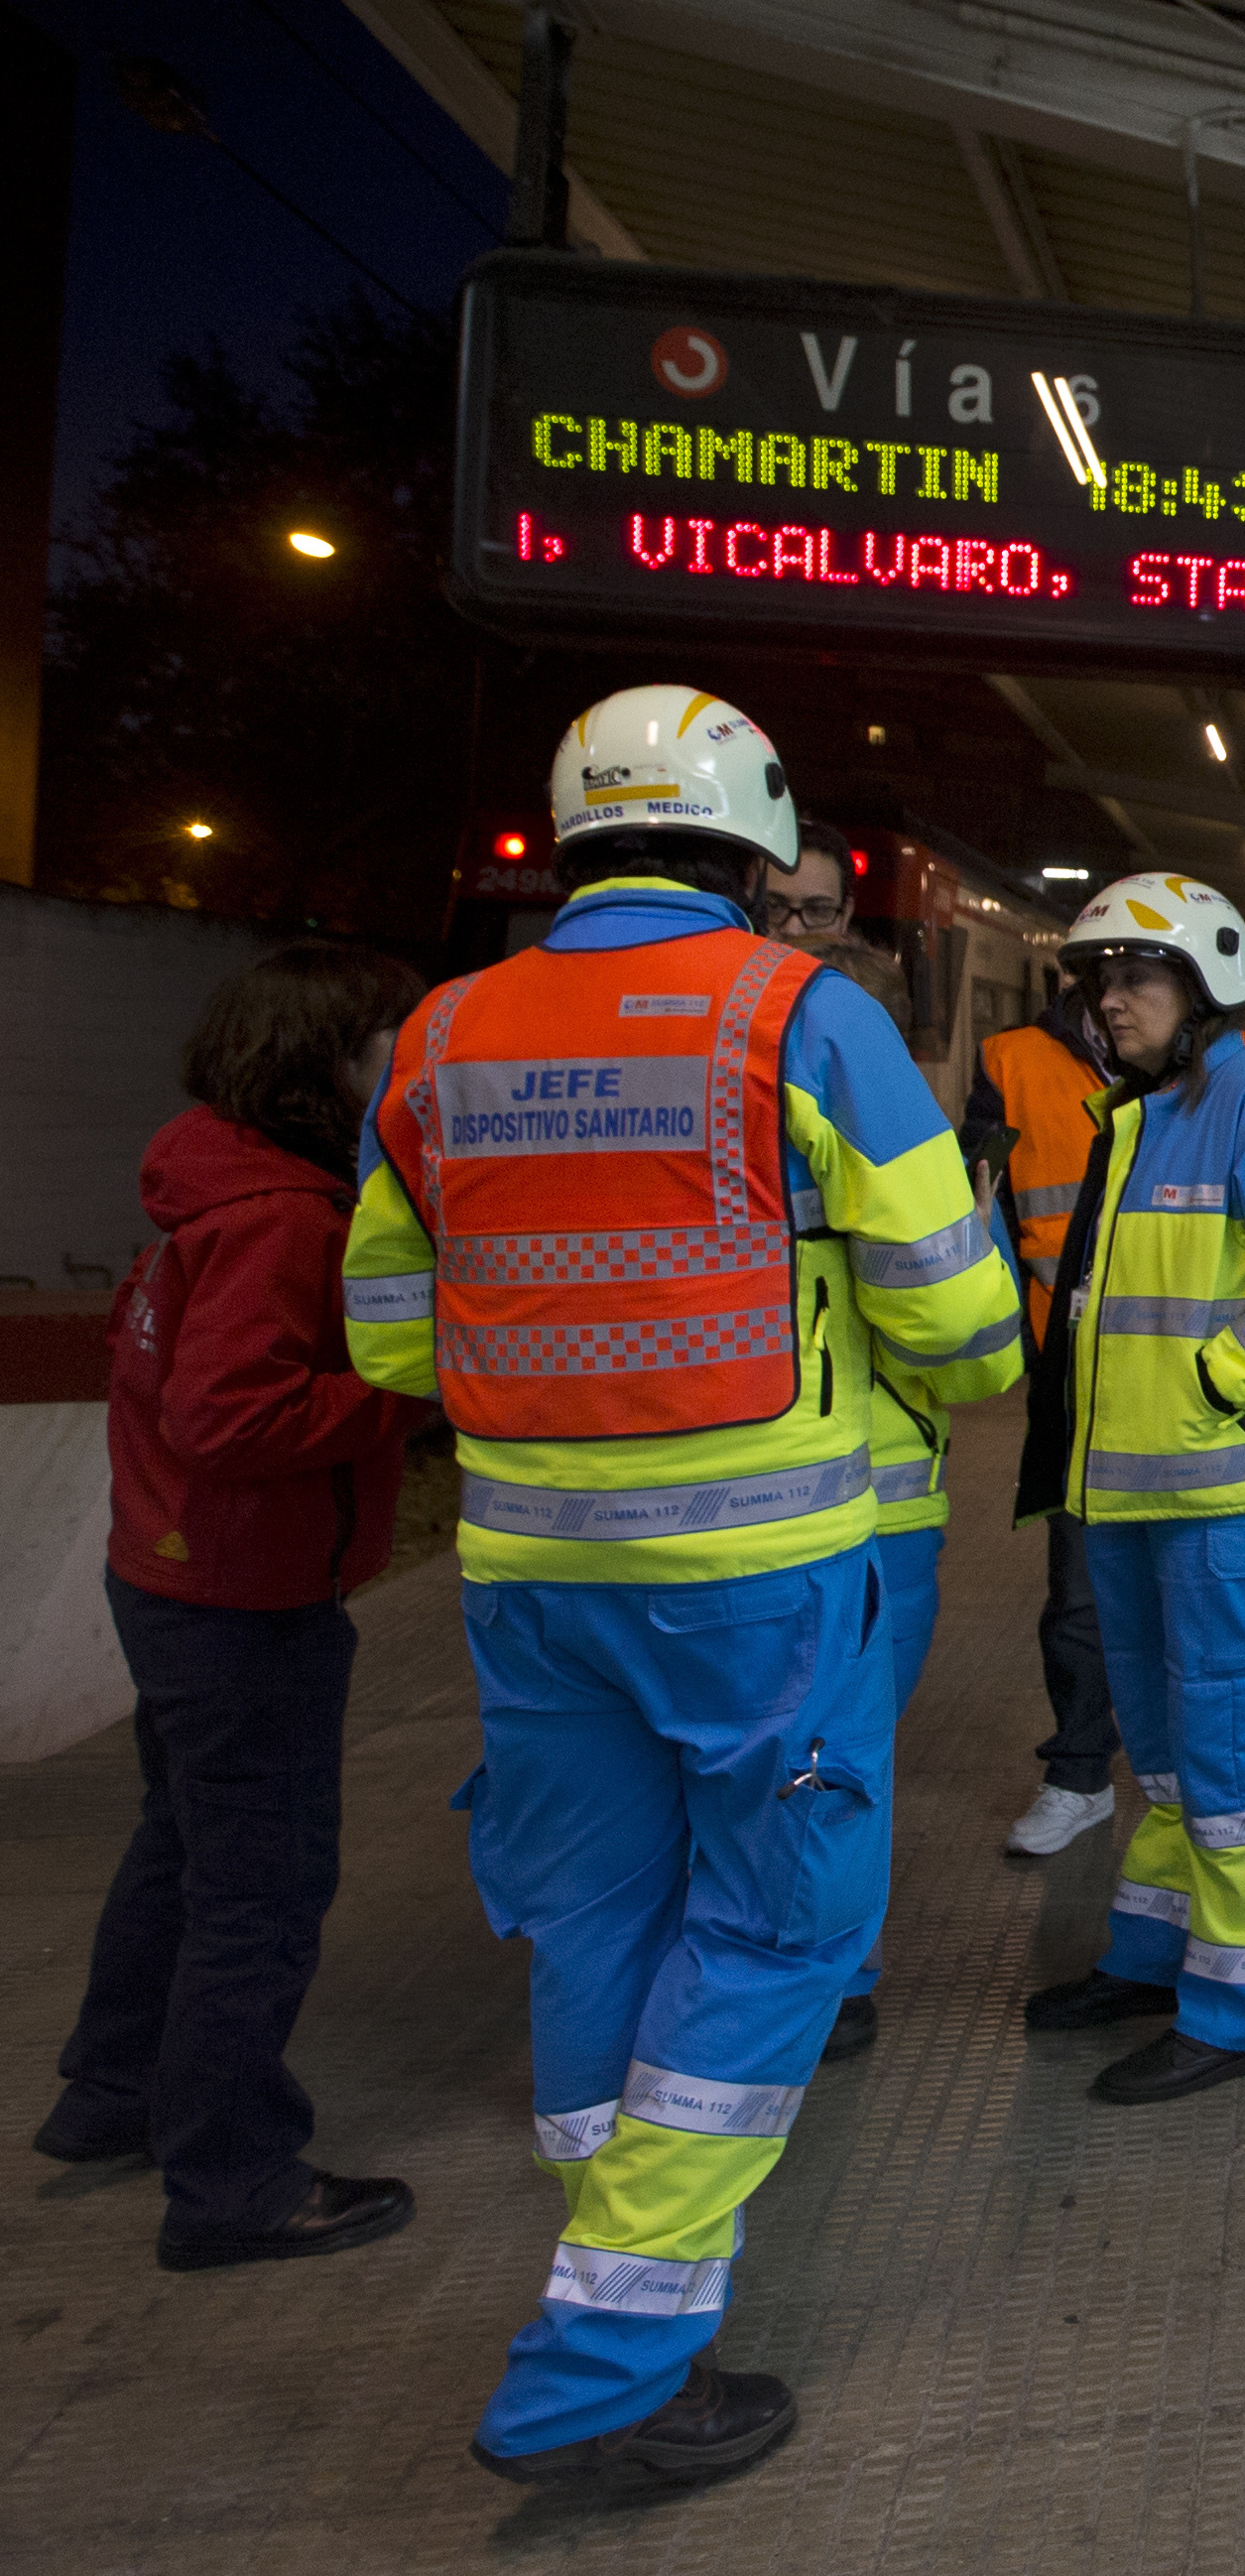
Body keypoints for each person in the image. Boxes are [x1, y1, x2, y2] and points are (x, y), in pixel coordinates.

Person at [347, 686, 1023, 2488]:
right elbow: (962, 1323)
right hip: (755, 1589)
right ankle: (608, 2360)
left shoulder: (437, 1036)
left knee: (591, 1919)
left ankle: (619, 2228)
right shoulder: (800, 1015)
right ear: (749, 846)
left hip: (526, 1581)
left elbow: (389, 1339)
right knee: (789, 1917)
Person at [44, 943, 433, 2272]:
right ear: (325, 1062)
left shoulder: (211, 1183)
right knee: (259, 1892)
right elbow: (235, 1414)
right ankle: (234, 2182)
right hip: (242, 1598)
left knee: (181, 1845)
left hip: (171, 1576)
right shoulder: (287, 1221)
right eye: (383, 1045)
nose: (402, 1069)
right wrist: (409, 1383)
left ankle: (110, 2094)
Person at [1009, 872, 1245, 2107]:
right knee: (1161, 1762)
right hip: (1127, 1498)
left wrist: (1224, 1379)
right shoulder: (1137, 1114)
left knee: (1227, 1769)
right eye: (1100, 982)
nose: (1109, 1002)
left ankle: (1237, 2010)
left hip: (1215, 1498)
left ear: (1206, 989)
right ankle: (1153, 1957)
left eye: (1135, 979)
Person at [792, 913, 950, 2069]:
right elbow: (962, 1342)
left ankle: (798, 1963)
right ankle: (835, 1978)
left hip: (769, 1504)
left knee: (764, 1753)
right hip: (880, 1508)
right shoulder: (903, 1149)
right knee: (846, 1753)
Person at [973, 955, 1128, 1862]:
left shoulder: (1236, 1060)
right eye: (1108, 973)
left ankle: (1201, 1785)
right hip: (1071, 1373)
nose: (1121, 995)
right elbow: (982, 1206)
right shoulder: (1009, 1061)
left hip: (1196, 1384)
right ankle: (1078, 1777)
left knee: (1197, 1594)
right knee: (1077, 1597)